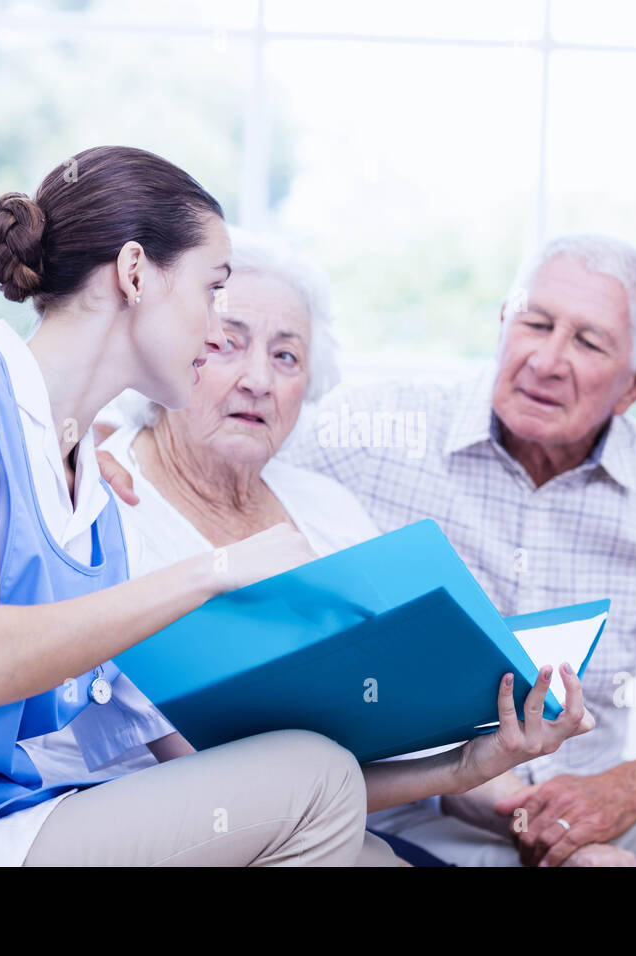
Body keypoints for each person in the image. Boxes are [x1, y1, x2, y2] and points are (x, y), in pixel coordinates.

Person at [98, 232, 636, 867]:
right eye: (533, 324)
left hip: (596, 797)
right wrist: (94, 442)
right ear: (501, 323)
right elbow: (215, 433)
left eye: (589, 342)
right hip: (416, 803)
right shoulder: (373, 436)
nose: (548, 359)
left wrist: (627, 791)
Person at [0, 146, 399, 867]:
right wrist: (213, 568)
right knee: (316, 779)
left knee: (336, 810)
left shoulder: (93, 501)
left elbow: (194, 749)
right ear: (136, 272)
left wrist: (462, 770)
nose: (215, 331)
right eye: (213, 290)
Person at [81, 229, 593, 832]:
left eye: (286, 357)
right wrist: (457, 770)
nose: (258, 381)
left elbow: (404, 726)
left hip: (332, 827)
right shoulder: (105, 504)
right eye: (225, 344)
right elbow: (221, 779)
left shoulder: (327, 507)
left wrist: (548, 824)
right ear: (175, 352)